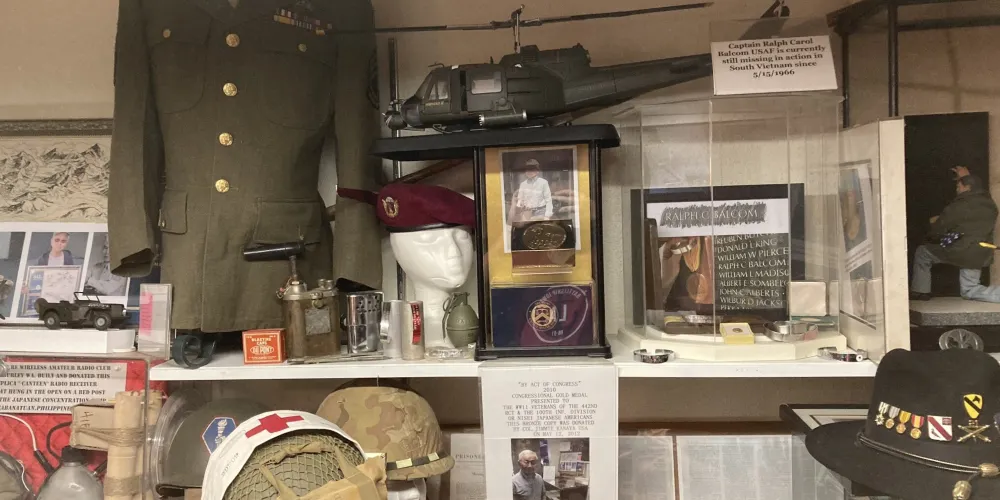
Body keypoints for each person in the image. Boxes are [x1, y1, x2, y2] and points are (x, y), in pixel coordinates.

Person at [910, 167, 1000, 302]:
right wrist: (965, 177)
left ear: (967, 187)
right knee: (970, 288)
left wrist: (932, 228)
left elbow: (941, 228)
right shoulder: (990, 205)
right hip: (980, 251)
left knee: (922, 252)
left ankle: (920, 292)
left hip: (959, 249)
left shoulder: (960, 204)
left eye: (958, 186)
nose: (957, 190)